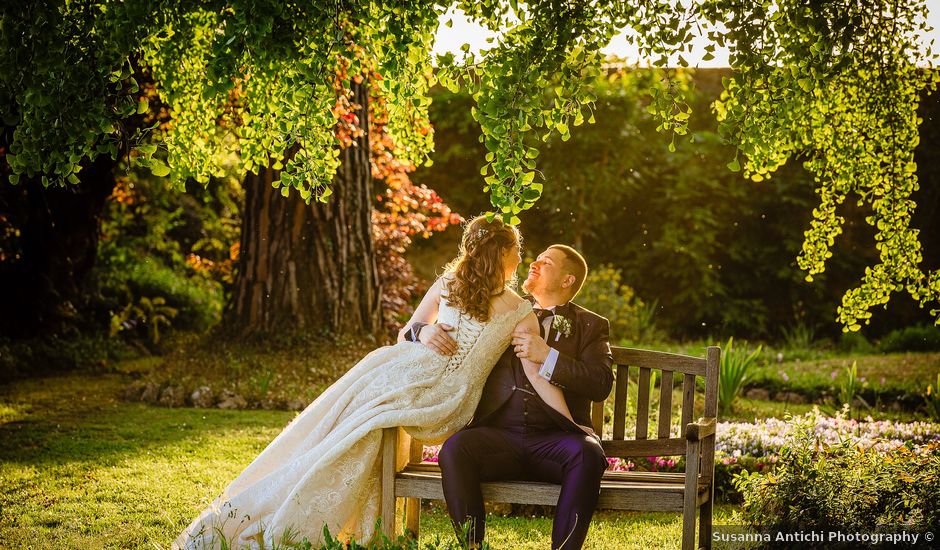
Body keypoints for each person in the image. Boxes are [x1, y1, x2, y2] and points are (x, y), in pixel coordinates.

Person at [174, 215, 559, 549]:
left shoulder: (519, 310)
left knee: (370, 414)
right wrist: (423, 334)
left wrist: (570, 423)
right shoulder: (449, 283)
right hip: (409, 367)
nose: (521, 258)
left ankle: (321, 514)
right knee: (353, 415)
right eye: (517, 250)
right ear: (499, 253)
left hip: (447, 394)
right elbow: (407, 329)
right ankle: (296, 504)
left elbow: (535, 370)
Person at [407, 245, 613, 550]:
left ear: (567, 280)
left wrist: (548, 356)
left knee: (588, 454)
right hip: (499, 436)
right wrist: (422, 330)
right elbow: (445, 319)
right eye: (536, 257)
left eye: (546, 262)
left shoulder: (590, 325)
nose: (534, 263)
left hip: (555, 440)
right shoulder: (501, 307)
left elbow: (600, 383)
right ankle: (472, 547)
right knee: (455, 450)